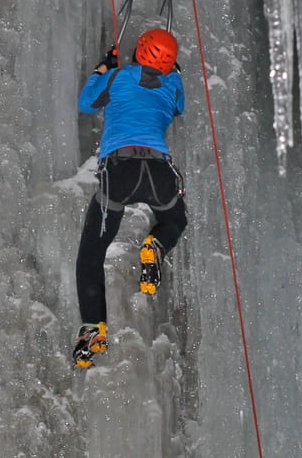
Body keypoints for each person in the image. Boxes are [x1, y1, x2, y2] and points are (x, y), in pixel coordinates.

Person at [72, 28, 187, 369]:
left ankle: (94, 331)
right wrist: (173, 73)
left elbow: (86, 103)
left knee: (91, 254)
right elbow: (177, 107)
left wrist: (102, 70)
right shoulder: (173, 84)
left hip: (120, 170)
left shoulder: (120, 76)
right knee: (175, 220)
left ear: (139, 51)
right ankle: (156, 246)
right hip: (158, 173)